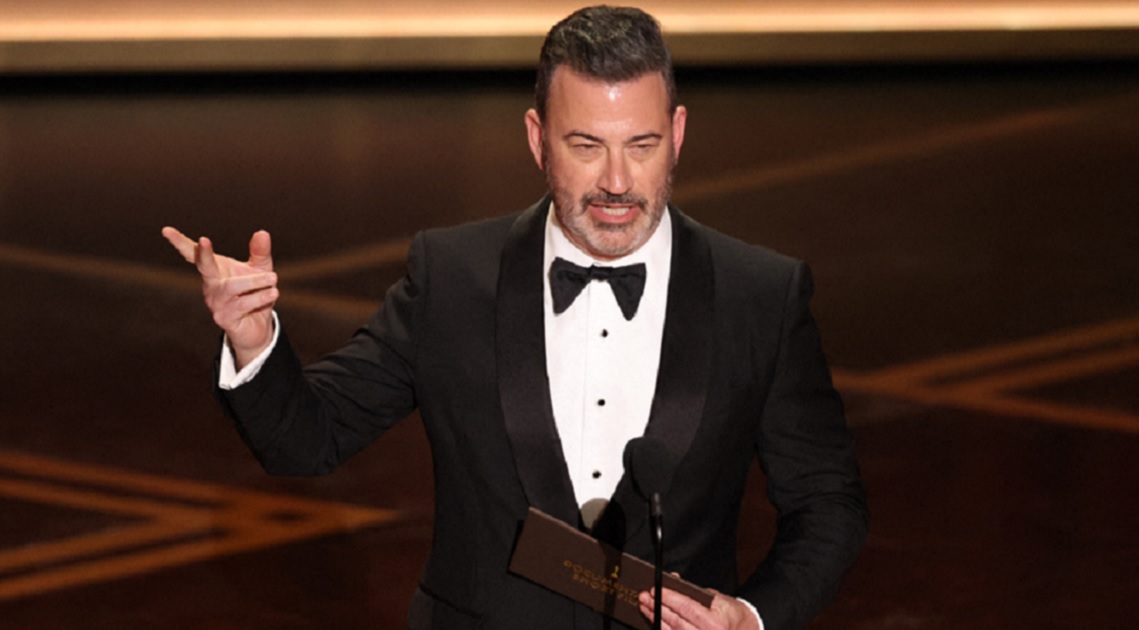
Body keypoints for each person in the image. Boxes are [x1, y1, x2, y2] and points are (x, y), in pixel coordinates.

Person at [163, 6, 866, 629]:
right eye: (586, 145)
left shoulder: (760, 294)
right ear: (537, 139)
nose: (617, 182)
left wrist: (750, 617)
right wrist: (253, 340)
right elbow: (306, 441)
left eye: (641, 145)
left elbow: (828, 505)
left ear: (677, 134)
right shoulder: (453, 278)